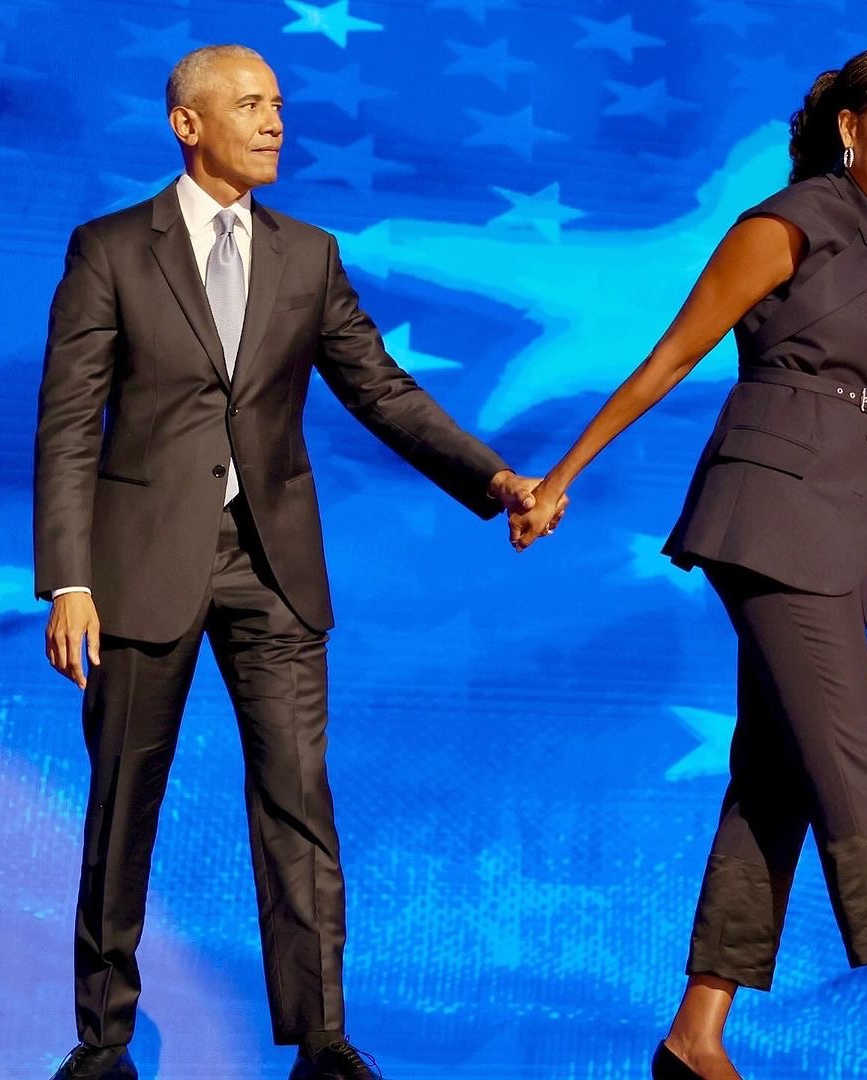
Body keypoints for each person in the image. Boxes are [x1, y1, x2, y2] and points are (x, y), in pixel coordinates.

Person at [510, 48, 867, 1080]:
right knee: (854, 761)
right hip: (766, 515)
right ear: (850, 127)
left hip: (844, 533)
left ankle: (695, 1036)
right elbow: (673, 354)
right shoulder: (785, 223)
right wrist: (561, 476)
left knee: (776, 777)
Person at [34, 44, 564, 1080]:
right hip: (141, 565)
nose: (275, 121)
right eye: (250, 105)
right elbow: (66, 426)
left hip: (273, 566)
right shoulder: (111, 249)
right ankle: (102, 1039)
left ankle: (321, 1039)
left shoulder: (307, 254)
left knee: (298, 799)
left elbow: (382, 389)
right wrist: (70, 581)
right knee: (123, 800)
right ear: (188, 124)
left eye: (278, 103)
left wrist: (494, 477)